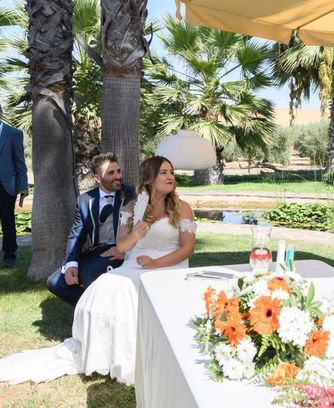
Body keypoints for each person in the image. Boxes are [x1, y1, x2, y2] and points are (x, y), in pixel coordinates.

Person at [0, 156, 196, 385]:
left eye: (171, 172)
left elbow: (188, 248)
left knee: (124, 290)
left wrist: (156, 264)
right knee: (102, 287)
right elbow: (122, 245)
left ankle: (132, 353)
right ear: (150, 178)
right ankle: (104, 351)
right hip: (136, 263)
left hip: (168, 265)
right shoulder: (133, 207)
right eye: (163, 172)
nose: (170, 176)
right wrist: (136, 234)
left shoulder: (181, 208)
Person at [46, 153, 136, 305]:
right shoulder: (84, 200)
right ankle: (93, 309)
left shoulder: (132, 194)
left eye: (118, 171)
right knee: (55, 282)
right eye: (111, 173)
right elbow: (76, 236)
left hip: (122, 250)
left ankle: (96, 314)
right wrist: (71, 264)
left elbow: (144, 227)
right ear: (98, 178)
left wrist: (125, 250)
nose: (118, 176)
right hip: (97, 251)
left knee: (90, 273)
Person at [0, 103, 28, 269]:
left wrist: (23, 186)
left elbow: (20, 162)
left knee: (7, 222)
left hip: (6, 186)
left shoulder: (14, 134)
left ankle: (9, 255)